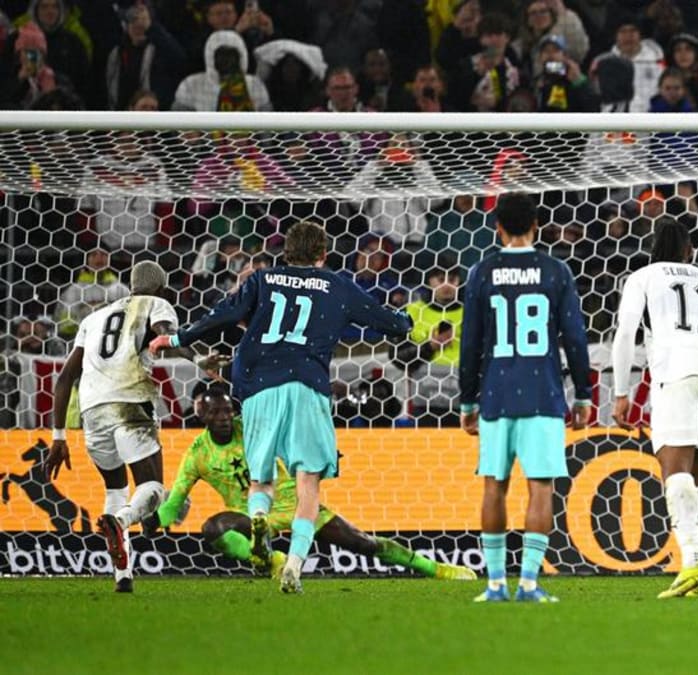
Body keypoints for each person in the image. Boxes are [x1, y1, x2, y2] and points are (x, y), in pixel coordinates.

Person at [149, 221, 414, 594]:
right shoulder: (337, 284)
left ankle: (257, 516)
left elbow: (224, 314)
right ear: (323, 254)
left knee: (262, 478)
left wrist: (177, 337)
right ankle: (293, 566)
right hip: (308, 383)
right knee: (308, 482)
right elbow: (389, 323)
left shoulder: (263, 279)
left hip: (258, 384)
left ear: (285, 252)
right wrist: (405, 321)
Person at [148, 387, 474, 581]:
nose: (223, 417)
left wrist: (323, 453)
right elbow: (177, 498)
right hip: (251, 515)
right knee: (214, 528)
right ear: (201, 415)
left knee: (364, 544)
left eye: (227, 410)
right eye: (215, 412)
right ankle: (270, 560)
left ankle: (436, 569)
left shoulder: (254, 426)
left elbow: (294, 439)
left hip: (298, 505)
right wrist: (154, 521)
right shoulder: (197, 454)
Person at [45, 261, 226, 593]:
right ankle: (123, 521)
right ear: (161, 287)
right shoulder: (157, 304)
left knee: (116, 491)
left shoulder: (92, 318)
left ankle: (123, 577)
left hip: (91, 413)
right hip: (130, 404)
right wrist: (199, 360)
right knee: (153, 488)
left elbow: (65, 377)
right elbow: (165, 336)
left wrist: (58, 436)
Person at [458, 193, 592, 603]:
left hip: (496, 395)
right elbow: (574, 337)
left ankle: (496, 584)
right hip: (543, 394)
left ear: (497, 226)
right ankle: (529, 584)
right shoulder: (555, 270)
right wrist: (584, 393)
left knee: (493, 487)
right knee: (541, 487)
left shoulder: (483, 271)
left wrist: (468, 400)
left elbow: (471, 342)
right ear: (536, 224)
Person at [610, 219, 698, 599]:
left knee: (674, 471)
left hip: (678, 374)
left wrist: (621, 391)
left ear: (653, 248)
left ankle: (691, 561)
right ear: (689, 251)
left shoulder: (644, 276)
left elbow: (626, 333)